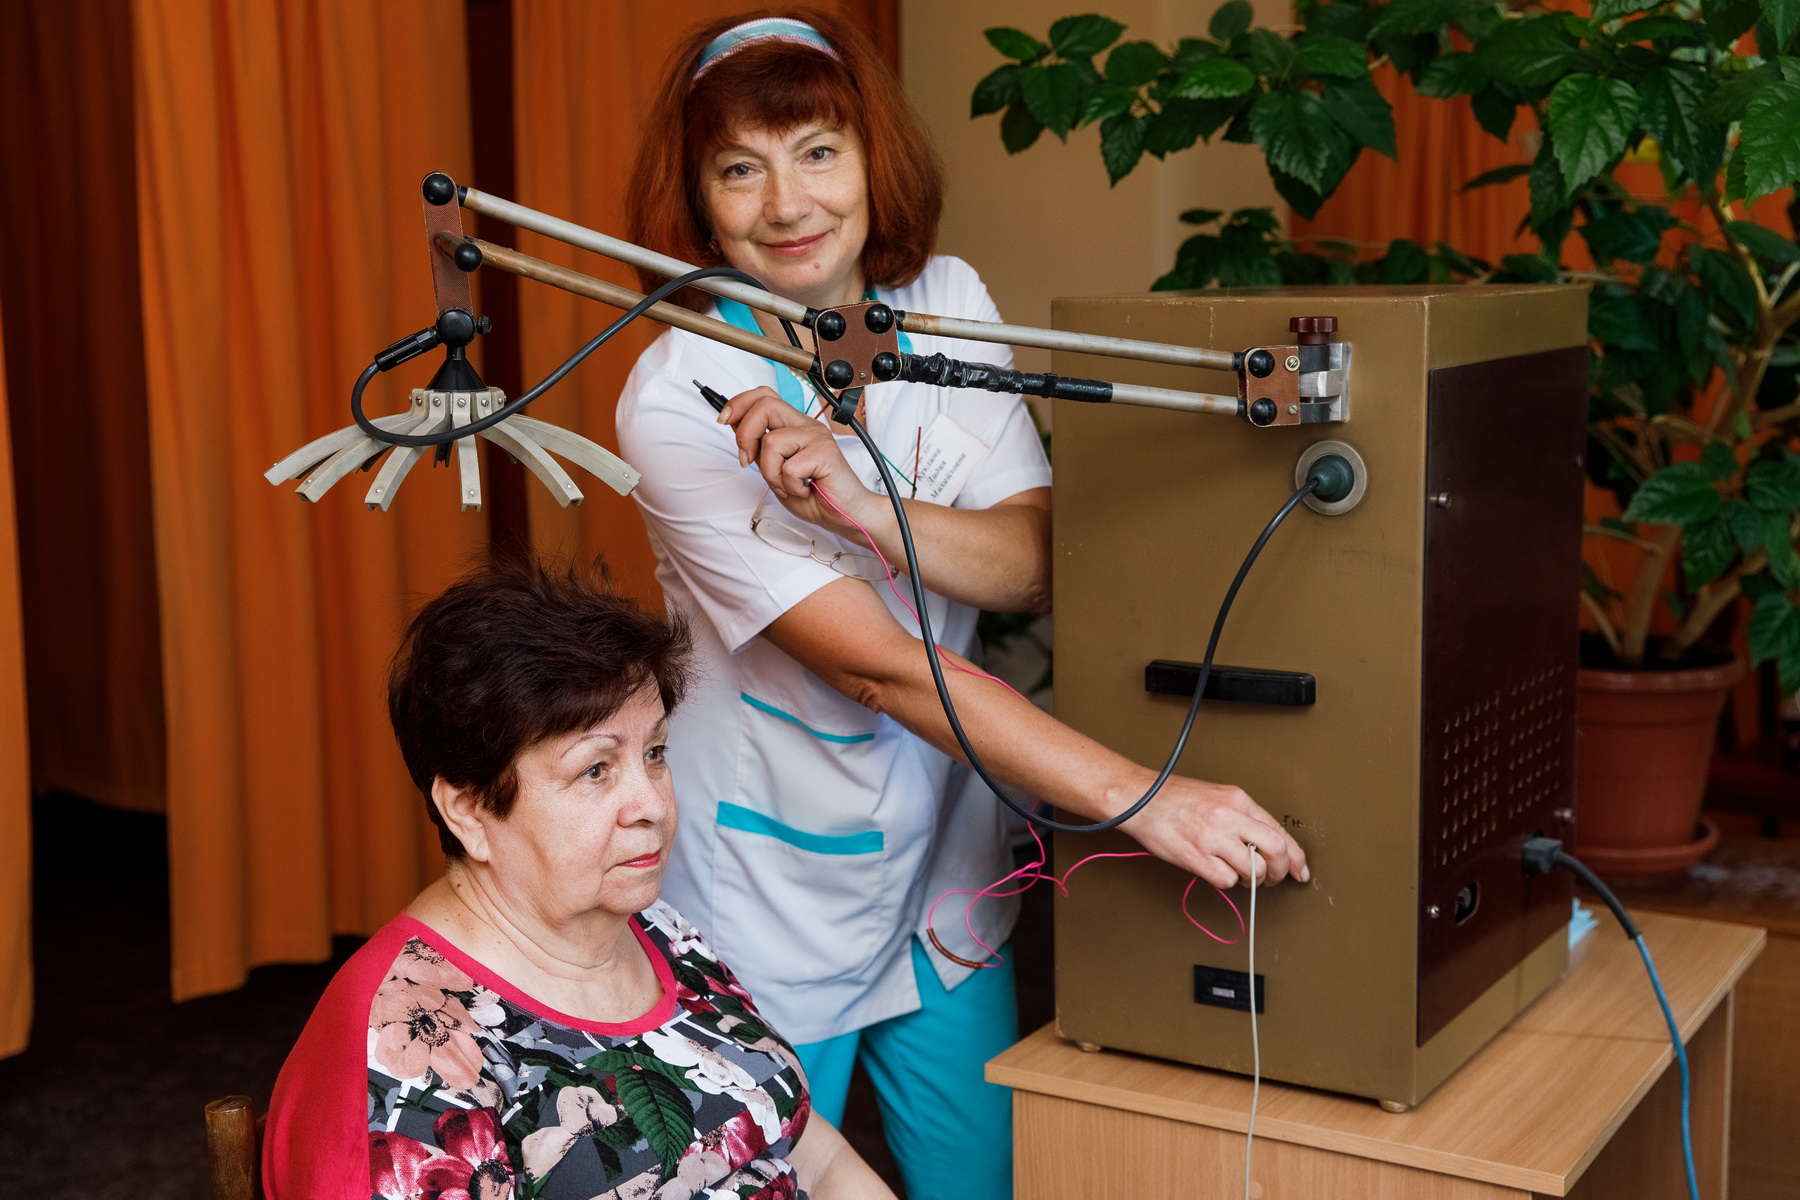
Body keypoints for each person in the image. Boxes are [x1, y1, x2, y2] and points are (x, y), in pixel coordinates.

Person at [616, 11, 1310, 1198]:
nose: (787, 204)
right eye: (740, 170)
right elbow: (876, 665)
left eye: (818, 153)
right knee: (774, 1180)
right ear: (698, 199)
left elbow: (1034, 562)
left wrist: (870, 510)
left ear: (872, 161)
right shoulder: (678, 393)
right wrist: (1142, 795)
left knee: (981, 1180)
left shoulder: (943, 300)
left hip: (944, 861)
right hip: (770, 887)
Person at [262, 559, 893, 1199]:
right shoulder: (404, 1054)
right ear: (470, 809)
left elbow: (809, 1155)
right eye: (595, 769)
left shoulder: (654, 927)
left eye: (655, 753)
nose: (651, 804)